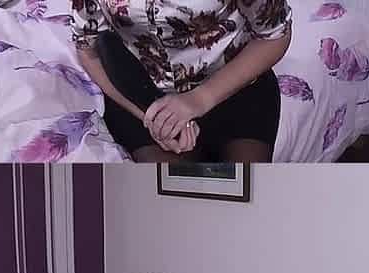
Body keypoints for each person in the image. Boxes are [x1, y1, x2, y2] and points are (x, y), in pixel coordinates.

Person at [71, 0, 292, 163]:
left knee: (247, 196)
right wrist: (157, 118)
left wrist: (198, 100)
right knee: (170, 199)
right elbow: (89, 48)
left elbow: (276, 34)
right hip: (142, 96)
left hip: (234, 86)